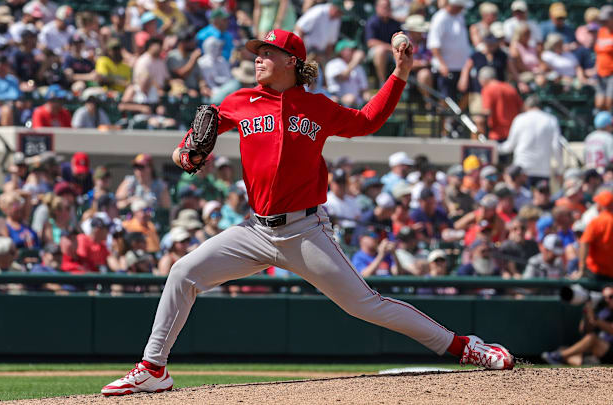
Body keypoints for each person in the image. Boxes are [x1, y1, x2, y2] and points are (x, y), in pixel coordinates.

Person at [102, 29, 514, 397]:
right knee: (183, 272)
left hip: (304, 230)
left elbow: (368, 120)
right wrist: (184, 152)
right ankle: (153, 368)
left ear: (292, 62)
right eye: (257, 52)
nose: (258, 57)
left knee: (364, 304)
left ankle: (464, 346)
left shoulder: (316, 107)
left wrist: (400, 74)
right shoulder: (239, 101)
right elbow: (192, 142)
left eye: (268, 51)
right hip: (253, 231)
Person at [541, 286, 613, 366]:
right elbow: (584, 330)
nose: (607, 300)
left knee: (591, 338)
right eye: (604, 297)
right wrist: (587, 313)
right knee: (565, 349)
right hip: (595, 350)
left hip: (609, 349)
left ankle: (558, 356)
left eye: (611, 297)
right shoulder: (601, 310)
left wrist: (595, 319)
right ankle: (585, 362)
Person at [498, 96, 562, 184]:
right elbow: (556, 146)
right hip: (543, 169)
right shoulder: (551, 120)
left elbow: (509, 146)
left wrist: (495, 147)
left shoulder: (520, 119)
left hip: (522, 169)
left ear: (526, 106)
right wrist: (559, 169)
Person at [427, 0, 472, 102]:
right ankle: (446, 118)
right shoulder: (440, 18)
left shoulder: (460, 16)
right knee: (446, 99)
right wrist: (442, 64)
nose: (462, 9)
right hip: (446, 69)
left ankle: (455, 118)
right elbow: (434, 44)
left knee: (465, 97)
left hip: (460, 67)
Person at [476, 66, 522, 142]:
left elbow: (486, 112)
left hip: (497, 134)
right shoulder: (510, 87)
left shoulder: (487, 89)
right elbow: (521, 108)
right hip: (513, 132)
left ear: (483, 79)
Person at [576, 190, 613, 281]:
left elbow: (584, 243)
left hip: (595, 272)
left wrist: (582, 268)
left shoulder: (597, 222)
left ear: (601, 205)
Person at [595, 6, 613, 111]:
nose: (604, 22)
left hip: (612, 74)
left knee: (609, 103)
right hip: (600, 73)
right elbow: (598, 52)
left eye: (606, 20)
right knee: (599, 104)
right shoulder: (601, 31)